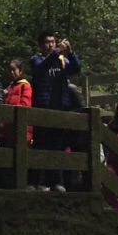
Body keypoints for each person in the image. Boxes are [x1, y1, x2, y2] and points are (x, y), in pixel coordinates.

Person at [29, 31, 81, 190]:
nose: (51, 45)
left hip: (60, 107)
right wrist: (56, 51)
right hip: (43, 107)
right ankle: (33, 181)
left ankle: (56, 182)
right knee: (39, 145)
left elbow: (76, 69)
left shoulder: (62, 61)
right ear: (41, 45)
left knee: (57, 146)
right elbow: (40, 69)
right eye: (47, 42)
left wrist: (70, 52)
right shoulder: (36, 59)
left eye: (53, 42)